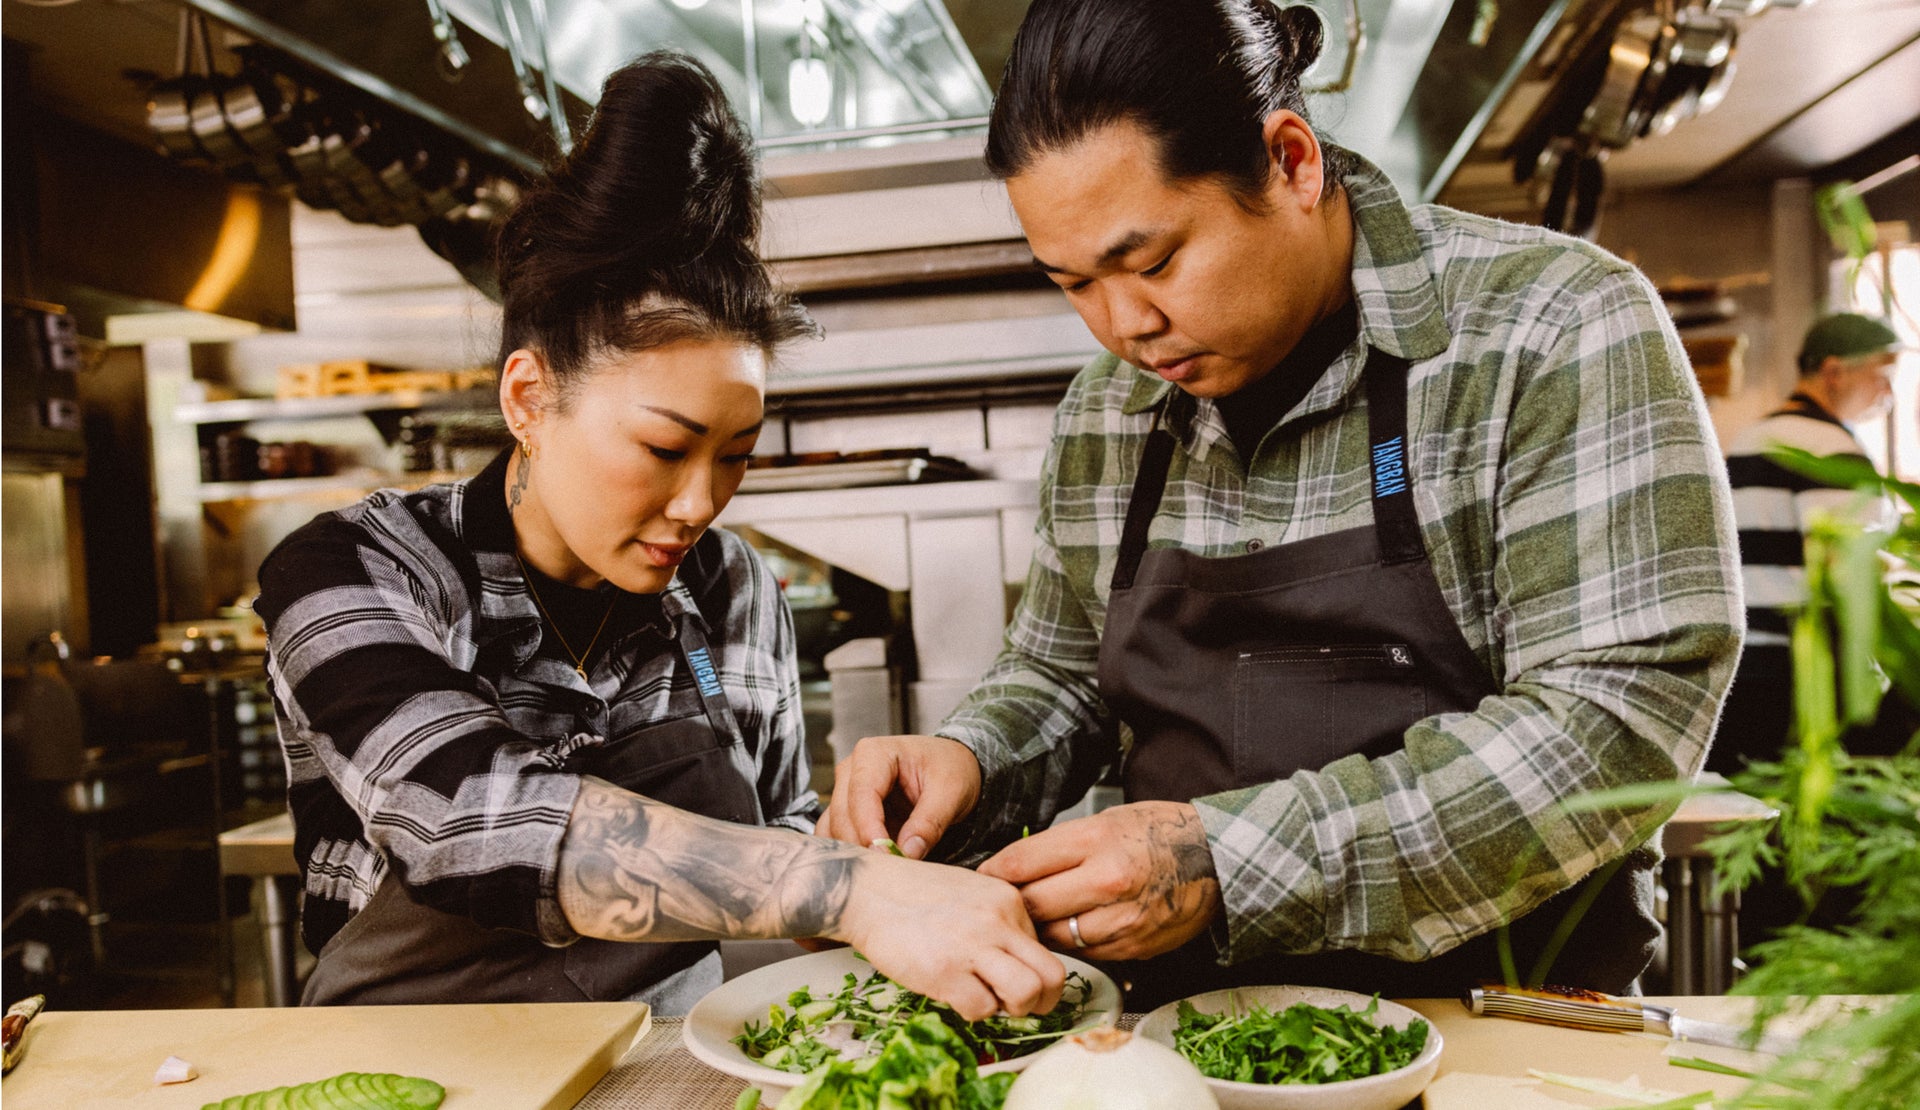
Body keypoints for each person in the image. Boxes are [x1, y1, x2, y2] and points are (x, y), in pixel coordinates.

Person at [823, 0, 1742, 1007]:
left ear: (1292, 162)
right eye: (1073, 282)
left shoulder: (1553, 328)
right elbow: (1064, 672)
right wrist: (970, 756)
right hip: (1179, 1033)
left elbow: (1617, 717)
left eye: (1154, 262)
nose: (1125, 326)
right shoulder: (1108, 411)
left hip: (1504, 1017)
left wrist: (1227, 861)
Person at [255, 52, 1064, 1018]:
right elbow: (469, 821)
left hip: (668, 1064)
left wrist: (892, 863)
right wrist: (850, 890)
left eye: (734, 455)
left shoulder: (728, 589)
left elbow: (774, 845)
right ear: (528, 398)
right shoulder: (355, 570)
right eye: (664, 448)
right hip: (415, 1068)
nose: (699, 503)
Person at [1716, 312, 1905, 773]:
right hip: (1805, 675)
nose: (1888, 394)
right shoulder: (1830, 450)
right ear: (1834, 372)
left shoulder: (1748, 439)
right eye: (1880, 376)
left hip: (1741, 669)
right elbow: (1847, 571)